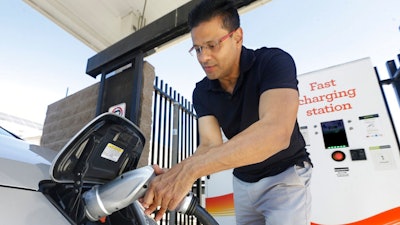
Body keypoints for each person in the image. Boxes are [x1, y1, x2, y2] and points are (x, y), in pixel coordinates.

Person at [141, 0, 313, 224]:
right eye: (198, 49)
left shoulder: (272, 62)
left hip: (285, 176)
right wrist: (175, 174)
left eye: (212, 45)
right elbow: (210, 145)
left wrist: (190, 171)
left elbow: (276, 133)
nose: (203, 57)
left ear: (238, 37)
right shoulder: (202, 91)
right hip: (243, 182)